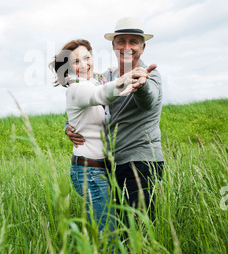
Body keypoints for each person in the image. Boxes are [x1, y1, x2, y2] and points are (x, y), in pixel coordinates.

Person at [49, 38, 153, 234]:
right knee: (108, 236)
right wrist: (126, 78)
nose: (84, 65)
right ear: (68, 68)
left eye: (87, 58)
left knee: (112, 231)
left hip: (102, 169)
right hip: (89, 171)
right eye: (76, 62)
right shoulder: (77, 87)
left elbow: (103, 85)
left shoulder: (95, 80)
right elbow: (100, 95)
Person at [66, 17, 164, 222]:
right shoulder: (106, 78)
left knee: (138, 229)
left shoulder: (151, 76)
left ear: (143, 47)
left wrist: (141, 83)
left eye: (133, 42)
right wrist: (69, 126)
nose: (127, 47)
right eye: (121, 41)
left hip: (140, 162)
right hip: (112, 165)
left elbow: (149, 101)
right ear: (113, 45)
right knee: (118, 230)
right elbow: (89, 103)